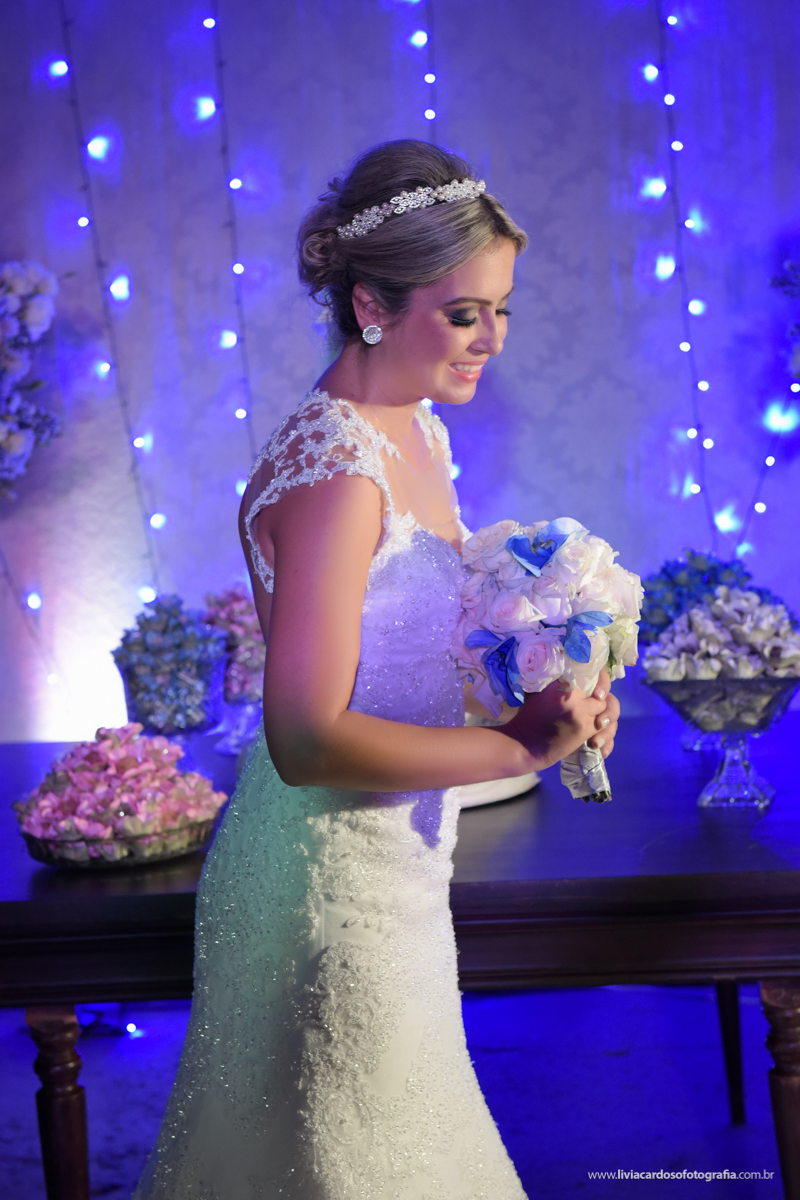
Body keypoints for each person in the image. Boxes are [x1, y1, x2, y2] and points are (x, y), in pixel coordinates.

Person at [135, 139, 619, 1199]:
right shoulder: (337, 475)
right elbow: (306, 740)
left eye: (501, 310)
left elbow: (406, 658)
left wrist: (545, 688)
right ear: (370, 305)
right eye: (464, 313)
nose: (492, 338)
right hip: (326, 883)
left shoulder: (414, 432)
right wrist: (517, 748)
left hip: (402, 863)